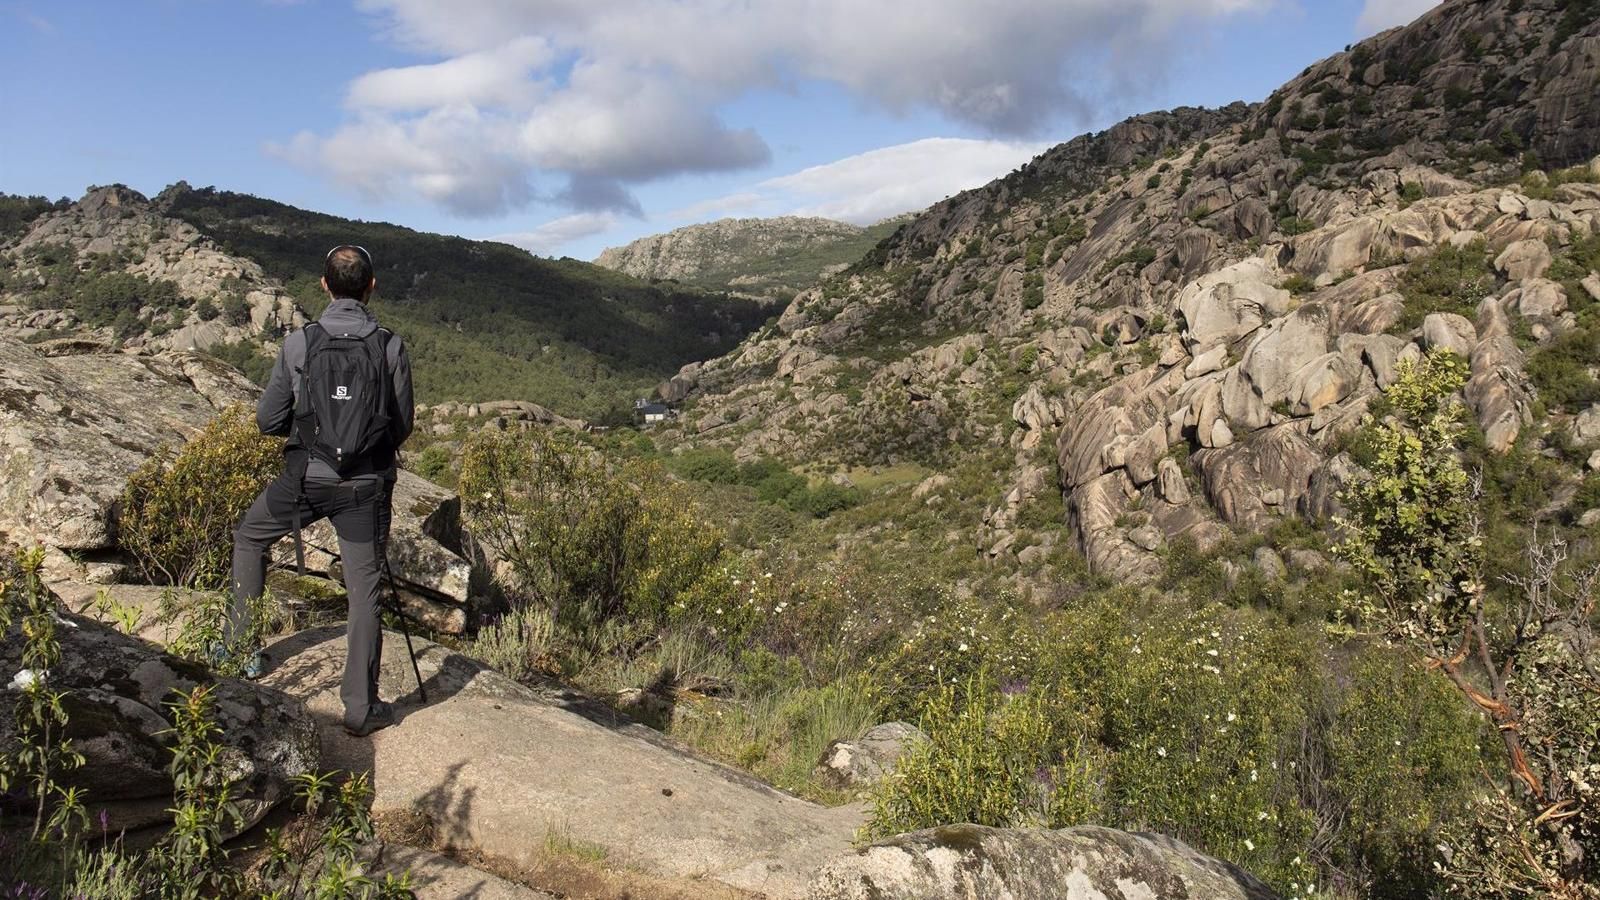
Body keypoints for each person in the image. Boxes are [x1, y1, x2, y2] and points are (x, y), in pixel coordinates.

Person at [224, 244, 414, 737]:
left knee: (250, 537)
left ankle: (241, 653)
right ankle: (360, 708)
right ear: (371, 287)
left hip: (306, 480)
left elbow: (268, 420)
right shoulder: (390, 346)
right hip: (364, 488)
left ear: (325, 285)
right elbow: (401, 426)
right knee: (363, 591)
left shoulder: (299, 344)